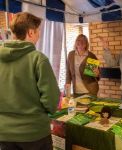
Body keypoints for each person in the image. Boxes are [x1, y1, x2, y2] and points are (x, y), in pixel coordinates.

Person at [0, 12, 60, 150]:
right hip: (34, 134)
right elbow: (51, 102)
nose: (39, 35)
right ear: (30, 32)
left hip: (4, 135)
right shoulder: (38, 59)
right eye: (38, 31)